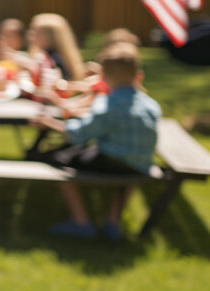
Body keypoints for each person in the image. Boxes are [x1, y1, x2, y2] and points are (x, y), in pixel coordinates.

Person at [30, 42, 160, 240]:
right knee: (121, 169)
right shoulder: (150, 105)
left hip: (114, 162)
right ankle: (113, 223)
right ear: (136, 73)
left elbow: (79, 134)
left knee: (58, 159)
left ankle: (81, 222)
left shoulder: (107, 104)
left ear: (104, 77)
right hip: (140, 164)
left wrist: (49, 123)